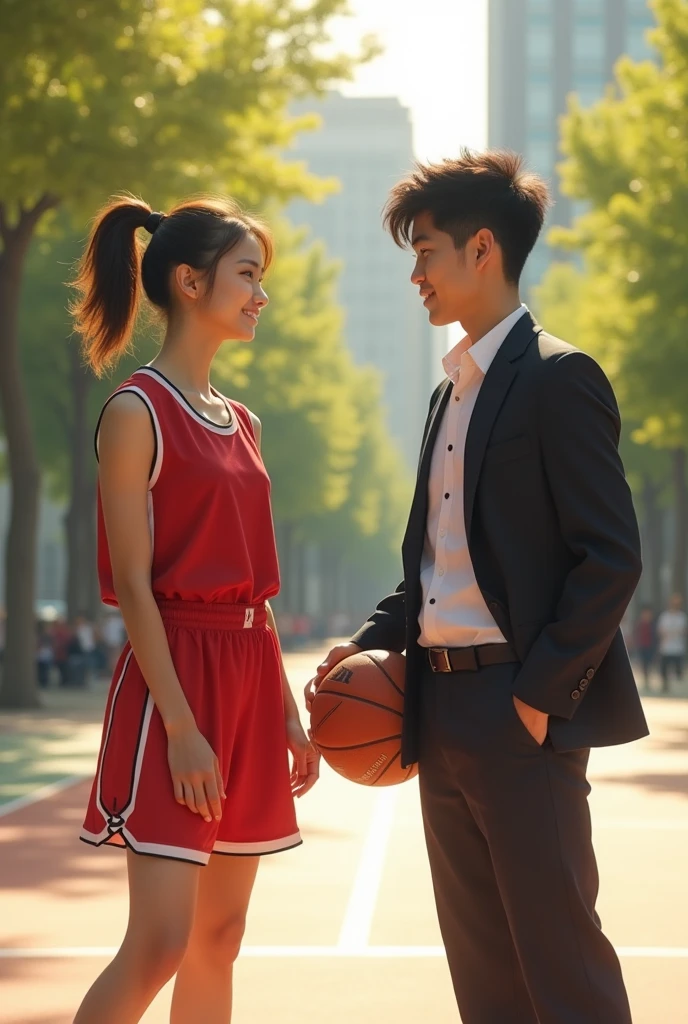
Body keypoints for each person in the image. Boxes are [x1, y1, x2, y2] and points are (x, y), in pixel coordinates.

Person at [307, 151, 648, 1024]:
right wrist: (372, 641)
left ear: (483, 248)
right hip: (437, 708)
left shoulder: (559, 378)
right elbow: (434, 563)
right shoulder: (445, 392)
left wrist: (539, 697)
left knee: (563, 968)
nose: (415, 274)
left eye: (425, 252)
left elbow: (610, 556)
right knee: (485, 980)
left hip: (517, 709)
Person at [71, 195, 319, 1024]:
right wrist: (180, 726)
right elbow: (134, 588)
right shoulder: (135, 413)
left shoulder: (241, 420)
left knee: (222, 937)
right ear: (188, 280)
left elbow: (258, 589)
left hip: (247, 680)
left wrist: (283, 712)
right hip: (173, 681)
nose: (261, 295)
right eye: (248, 275)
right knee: (161, 943)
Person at [656, 592, 687, 693]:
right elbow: (660, 630)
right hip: (666, 647)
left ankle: (678, 688)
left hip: (678, 648)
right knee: (664, 669)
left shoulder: (682, 617)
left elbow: (684, 631)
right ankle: (665, 686)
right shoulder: (664, 616)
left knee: (678, 670)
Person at [633, 604, 657, 690]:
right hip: (642, 647)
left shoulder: (653, 624)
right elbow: (636, 635)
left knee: (650, 663)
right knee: (644, 664)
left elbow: (655, 636)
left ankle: (650, 679)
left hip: (650, 646)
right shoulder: (639, 623)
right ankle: (646, 681)